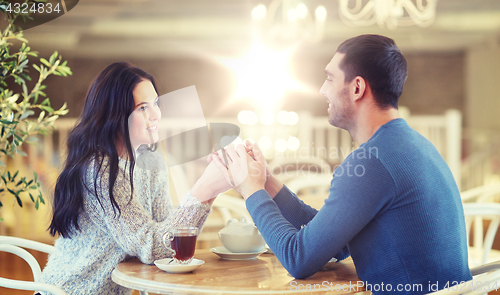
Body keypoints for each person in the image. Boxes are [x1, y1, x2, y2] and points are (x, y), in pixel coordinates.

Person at [211, 34, 472, 294]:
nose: (322, 90)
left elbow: (298, 259)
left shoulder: (371, 162)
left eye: (329, 78)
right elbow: (334, 241)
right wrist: (266, 182)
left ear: (357, 88)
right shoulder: (415, 145)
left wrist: (250, 189)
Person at [38, 62, 231, 294]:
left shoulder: (152, 163)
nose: (155, 114)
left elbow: (168, 244)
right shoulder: (100, 169)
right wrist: (204, 189)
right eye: (142, 108)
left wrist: (209, 193)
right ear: (115, 116)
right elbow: (151, 246)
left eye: (156, 104)